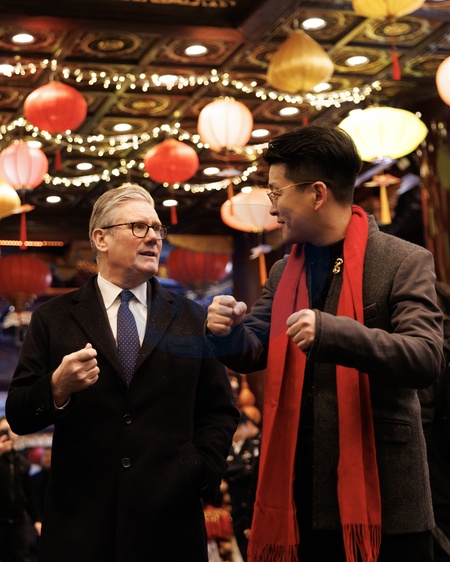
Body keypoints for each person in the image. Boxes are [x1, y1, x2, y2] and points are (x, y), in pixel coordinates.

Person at [205, 125, 445, 562]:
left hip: (385, 502)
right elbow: (253, 347)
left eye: (277, 193)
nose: (272, 207)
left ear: (317, 193)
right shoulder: (284, 271)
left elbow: (425, 357)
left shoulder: (402, 260)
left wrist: (333, 333)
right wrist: (224, 330)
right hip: (299, 495)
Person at [6, 183, 239, 562]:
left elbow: (220, 410)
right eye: (138, 227)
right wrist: (57, 387)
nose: (153, 237)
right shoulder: (54, 317)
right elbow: (18, 412)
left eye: (157, 228)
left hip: (171, 523)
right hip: (81, 526)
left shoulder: (193, 317)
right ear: (101, 238)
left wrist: (199, 471)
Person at [0, 416, 42, 562]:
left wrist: (37, 520)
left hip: (18, 523)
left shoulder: (22, 462)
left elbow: (30, 494)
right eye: (4, 430)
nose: (9, 434)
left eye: (11, 430)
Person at [224, 411, 261, 561]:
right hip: (236, 505)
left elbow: (251, 470)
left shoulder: (254, 444)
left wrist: (232, 472)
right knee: (242, 546)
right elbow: (224, 469)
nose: (235, 432)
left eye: (238, 428)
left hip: (251, 502)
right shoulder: (229, 447)